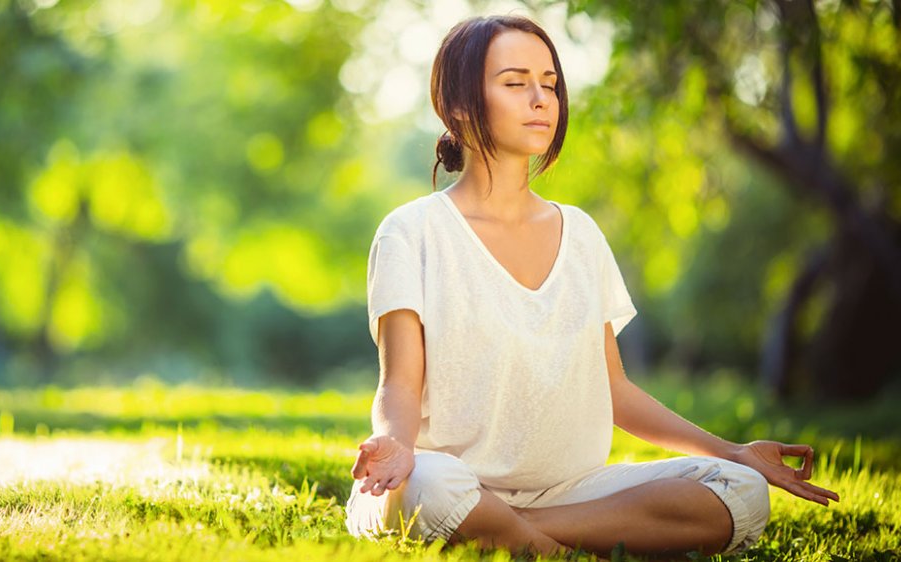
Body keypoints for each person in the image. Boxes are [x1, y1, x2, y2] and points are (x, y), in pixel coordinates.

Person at [343, 14, 840, 559]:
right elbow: (400, 384)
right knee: (430, 490)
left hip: (571, 490)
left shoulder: (579, 233)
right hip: (448, 478)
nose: (541, 99)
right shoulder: (411, 232)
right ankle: (545, 539)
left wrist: (734, 451)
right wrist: (394, 442)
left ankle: (510, 529)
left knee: (740, 492)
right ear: (458, 106)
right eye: (515, 83)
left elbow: (615, 390)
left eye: (550, 84)